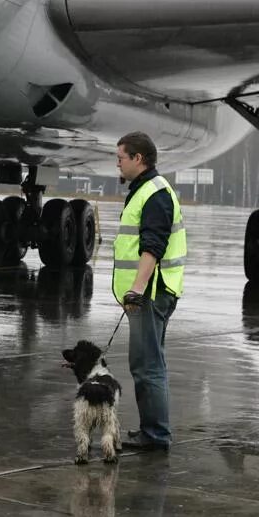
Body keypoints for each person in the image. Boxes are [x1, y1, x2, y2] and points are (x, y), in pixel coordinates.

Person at [113, 131, 186, 452]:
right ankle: (152, 431)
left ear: (137, 159)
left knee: (147, 366)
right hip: (153, 292)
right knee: (148, 363)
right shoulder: (146, 190)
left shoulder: (154, 193)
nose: (118, 164)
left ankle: (155, 435)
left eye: (121, 158)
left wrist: (136, 289)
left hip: (150, 294)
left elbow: (152, 246)